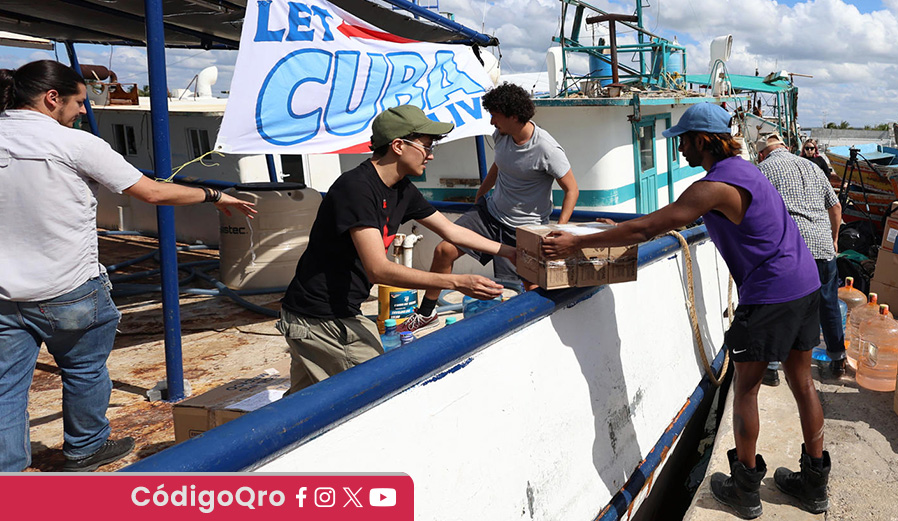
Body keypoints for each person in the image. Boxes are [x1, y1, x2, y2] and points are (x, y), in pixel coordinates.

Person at [542, 103, 831, 518]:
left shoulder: (711, 186)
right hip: (803, 280)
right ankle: (814, 484)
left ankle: (745, 489)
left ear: (701, 140)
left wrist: (576, 243)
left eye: (682, 142)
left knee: (747, 387)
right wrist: (614, 227)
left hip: (771, 291)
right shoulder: (747, 170)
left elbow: (646, 229)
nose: (679, 151)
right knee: (803, 382)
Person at [0, 60, 257, 472]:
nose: (82, 112)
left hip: (4, 295)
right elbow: (152, 192)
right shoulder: (75, 144)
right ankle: (85, 449)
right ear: (52, 98)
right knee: (83, 370)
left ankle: (7, 477)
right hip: (69, 288)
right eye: (79, 102)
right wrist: (215, 195)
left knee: (6, 389)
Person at [277, 104, 513, 393]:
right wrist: (456, 281)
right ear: (399, 145)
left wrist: (511, 251)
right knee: (377, 392)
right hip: (320, 318)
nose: (431, 154)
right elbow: (378, 269)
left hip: (331, 313)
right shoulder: (356, 188)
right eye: (426, 146)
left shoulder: (402, 189)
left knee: (300, 407)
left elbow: (452, 231)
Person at [403, 82, 578, 332]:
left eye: (495, 115)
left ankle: (540, 332)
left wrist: (559, 229)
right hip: (489, 214)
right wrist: (481, 194)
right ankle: (426, 314)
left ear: (513, 116)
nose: (492, 121)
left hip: (524, 229)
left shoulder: (547, 149)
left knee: (524, 289)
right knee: (444, 251)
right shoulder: (502, 135)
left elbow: (572, 189)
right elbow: (499, 165)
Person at [755, 133, 846, 382]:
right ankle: (838, 360)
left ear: (762, 153)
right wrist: (834, 239)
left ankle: (772, 368)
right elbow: (835, 206)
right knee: (828, 305)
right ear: (786, 147)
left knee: (780, 305)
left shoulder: (763, 169)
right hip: (823, 247)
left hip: (790, 250)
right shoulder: (813, 166)